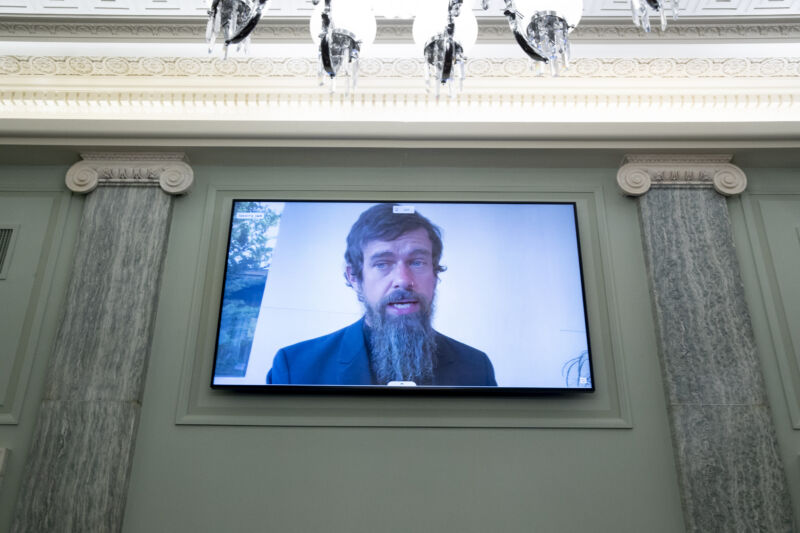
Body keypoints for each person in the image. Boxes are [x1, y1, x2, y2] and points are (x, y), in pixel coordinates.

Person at [267, 203, 497, 386]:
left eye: (417, 262)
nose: (403, 280)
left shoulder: (477, 367)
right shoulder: (295, 368)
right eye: (382, 263)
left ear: (435, 274)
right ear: (354, 277)